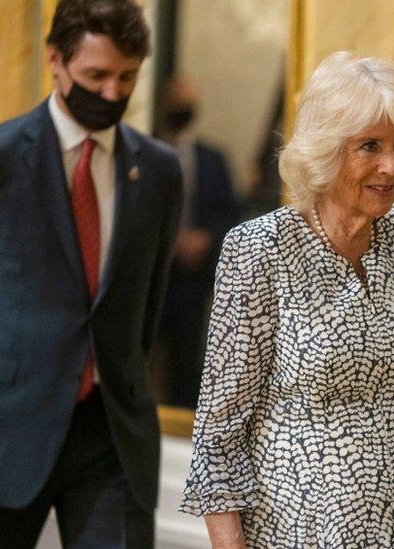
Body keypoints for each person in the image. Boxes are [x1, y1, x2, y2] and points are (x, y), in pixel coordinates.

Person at [180, 52, 394, 549]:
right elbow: (219, 437)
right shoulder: (260, 249)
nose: (391, 165)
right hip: (294, 535)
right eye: (369, 146)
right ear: (327, 148)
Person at [0, 0, 183, 546]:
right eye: (95, 75)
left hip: (112, 435)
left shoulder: (159, 170)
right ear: (55, 60)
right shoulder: (3, 157)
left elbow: (149, 302)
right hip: (9, 430)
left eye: (127, 78)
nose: (111, 94)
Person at [156, 75, 239, 408]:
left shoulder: (212, 158)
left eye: (188, 101)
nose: (182, 108)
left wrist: (204, 240)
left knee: (188, 358)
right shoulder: (144, 151)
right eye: (177, 100)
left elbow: (230, 216)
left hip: (194, 276)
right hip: (153, 274)